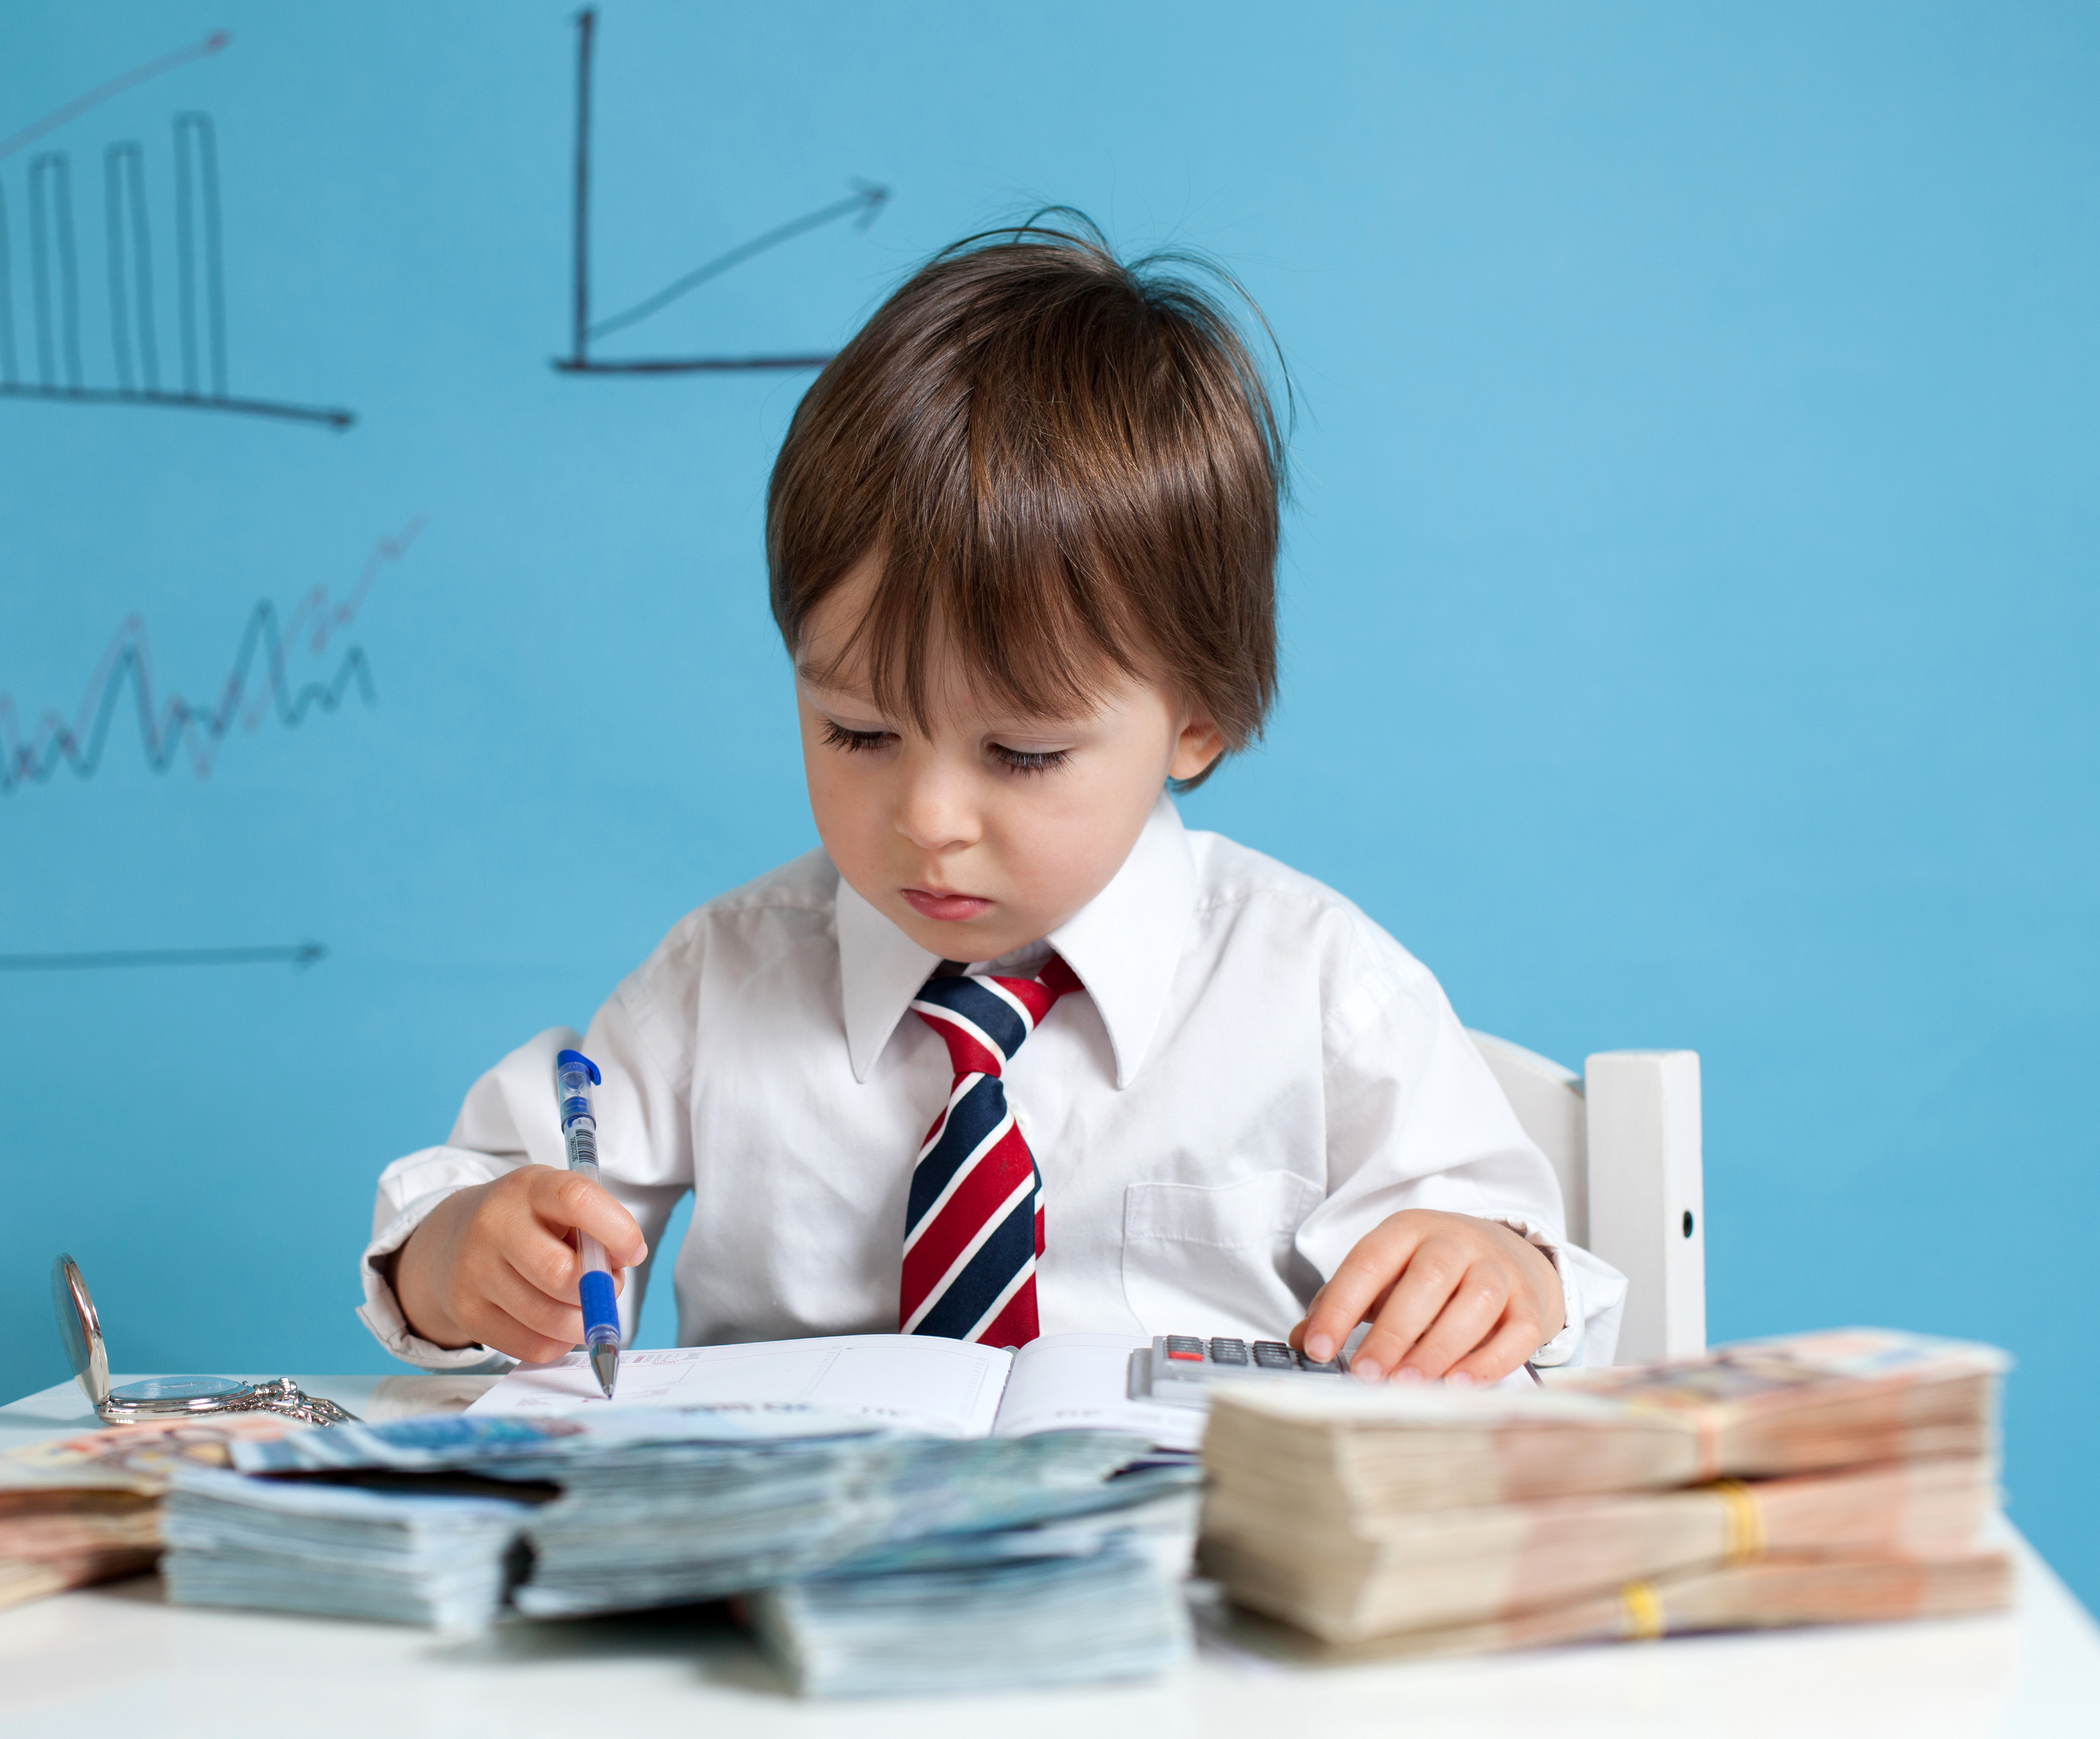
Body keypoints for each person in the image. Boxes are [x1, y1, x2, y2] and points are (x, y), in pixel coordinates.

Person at [363, 222, 1624, 1387]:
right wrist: (468, 1252)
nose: (931, 817)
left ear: (1197, 720)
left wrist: (1493, 1269)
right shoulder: (721, 981)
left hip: (1184, 1595)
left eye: (1021, 753)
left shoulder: (1317, 989)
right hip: (795, 1575)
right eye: (856, 731)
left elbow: (1512, 1258)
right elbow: (475, 1203)